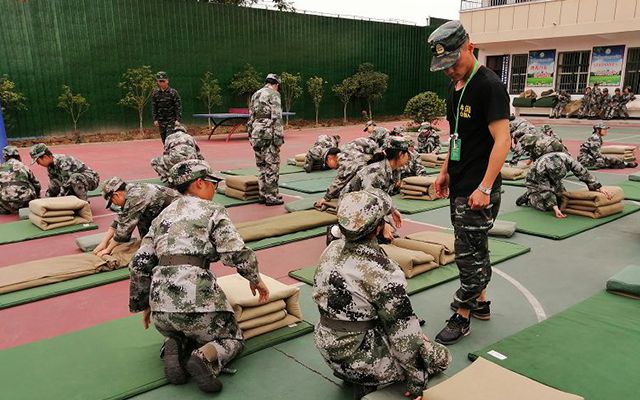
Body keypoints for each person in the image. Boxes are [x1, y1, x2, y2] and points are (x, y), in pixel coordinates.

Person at [128, 159, 270, 393]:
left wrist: (145, 303)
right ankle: (204, 357)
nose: (215, 188)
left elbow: (139, 264)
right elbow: (234, 250)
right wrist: (255, 278)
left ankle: (173, 342)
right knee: (232, 337)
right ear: (200, 183)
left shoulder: (161, 217)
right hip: (197, 301)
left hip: (161, 309)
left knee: (180, 328)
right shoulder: (212, 211)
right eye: (213, 183)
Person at [313, 190, 451, 400]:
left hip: (327, 346)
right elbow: (404, 336)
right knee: (438, 356)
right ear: (378, 228)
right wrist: (416, 381)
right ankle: (368, 379)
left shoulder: (331, 249)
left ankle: (353, 373)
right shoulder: (383, 272)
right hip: (358, 358)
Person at [428, 20, 511, 345]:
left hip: (479, 188)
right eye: (444, 66)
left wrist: (484, 187)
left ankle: (461, 315)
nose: (449, 70)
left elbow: (502, 140)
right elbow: (456, 136)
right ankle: (481, 302)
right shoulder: (456, 87)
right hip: (461, 182)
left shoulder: (488, 85)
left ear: (470, 48)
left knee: (466, 253)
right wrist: (445, 170)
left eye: (453, 62)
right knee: (476, 248)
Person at [92, 176, 181, 257]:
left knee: (158, 246)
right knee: (140, 220)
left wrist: (107, 250)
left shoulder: (136, 197)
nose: (114, 204)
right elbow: (119, 220)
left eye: (112, 201)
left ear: (116, 195)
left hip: (179, 214)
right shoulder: (128, 191)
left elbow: (124, 231)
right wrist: (103, 243)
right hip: (163, 212)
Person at [516, 152, 610, 218]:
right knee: (546, 207)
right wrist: (555, 208)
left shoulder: (567, 160)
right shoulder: (541, 169)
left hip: (554, 179)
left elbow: (583, 172)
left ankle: (543, 195)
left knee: (563, 199)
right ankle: (530, 196)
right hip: (534, 181)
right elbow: (545, 190)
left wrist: (598, 187)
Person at [314, 128, 389, 209]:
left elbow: (341, 181)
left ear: (330, 158)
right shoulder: (346, 149)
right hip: (377, 155)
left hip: (380, 160)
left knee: (348, 193)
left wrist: (325, 198)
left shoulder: (343, 158)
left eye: (327, 164)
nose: (329, 167)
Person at [247, 73, 284, 206]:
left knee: (261, 165)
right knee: (272, 165)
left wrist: (250, 134)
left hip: (256, 132)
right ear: (277, 84)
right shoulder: (274, 94)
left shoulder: (255, 94)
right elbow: (277, 117)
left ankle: (262, 194)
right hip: (268, 133)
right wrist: (278, 138)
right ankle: (272, 196)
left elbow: (251, 116)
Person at [29, 143, 99, 201]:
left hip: (91, 180)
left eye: (38, 161)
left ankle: (83, 203)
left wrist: (59, 201)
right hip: (73, 182)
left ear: (45, 157)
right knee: (53, 183)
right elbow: (53, 186)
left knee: (75, 178)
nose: (38, 164)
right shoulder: (50, 167)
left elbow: (66, 185)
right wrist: (47, 200)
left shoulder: (63, 162)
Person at [0, 145, 40, 214]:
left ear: (5, 157)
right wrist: (37, 196)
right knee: (29, 182)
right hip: (25, 202)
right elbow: (36, 184)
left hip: (6, 204)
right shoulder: (23, 166)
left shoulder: (1, 168)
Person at [152, 71, 182, 143]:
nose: (161, 83)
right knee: (164, 140)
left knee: (170, 139)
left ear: (167, 81)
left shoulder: (173, 92)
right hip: (161, 120)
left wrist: (178, 119)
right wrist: (155, 119)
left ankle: (170, 153)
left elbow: (178, 106)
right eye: (160, 81)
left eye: (163, 81)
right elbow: (154, 107)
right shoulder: (155, 93)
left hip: (171, 120)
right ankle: (167, 152)